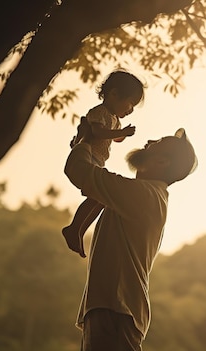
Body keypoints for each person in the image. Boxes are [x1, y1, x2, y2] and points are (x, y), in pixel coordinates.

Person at [64, 121, 197, 351]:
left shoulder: (143, 196)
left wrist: (86, 141)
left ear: (162, 162)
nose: (148, 143)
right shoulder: (140, 195)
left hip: (115, 310)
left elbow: (79, 172)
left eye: (156, 144)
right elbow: (97, 182)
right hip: (113, 310)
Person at [62, 69, 145, 258]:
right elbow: (99, 133)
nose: (130, 109)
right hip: (88, 158)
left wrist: (122, 133)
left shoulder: (114, 119)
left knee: (102, 198)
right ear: (114, 94)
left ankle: (77, 229)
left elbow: (115, 139)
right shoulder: (99, 112)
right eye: (130, 103)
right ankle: (75, 228)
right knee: (99, 195)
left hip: (97, 162)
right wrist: (119, 132)